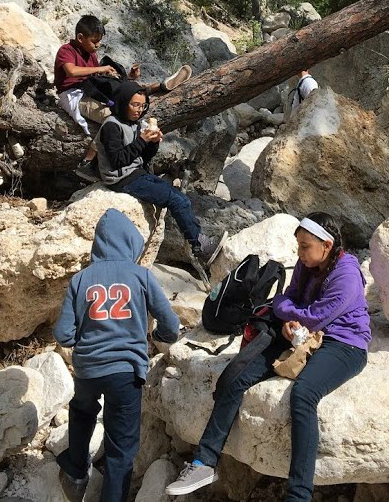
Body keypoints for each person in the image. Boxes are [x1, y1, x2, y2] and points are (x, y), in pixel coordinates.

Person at [166, 212, 370, 499]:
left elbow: (317, 315)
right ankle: (204, 462)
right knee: (238, 375)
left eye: (305, 246)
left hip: (344, 344)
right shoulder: (306, 263)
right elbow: (285, 298)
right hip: (299, 335)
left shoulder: (346, 273)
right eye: (298, 245)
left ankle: (298, 494)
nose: (299, 253)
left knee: (304, 394)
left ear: (326, 245)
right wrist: (289, 320)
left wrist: (291, 315)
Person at [53, 208, 180, 502]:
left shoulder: (80, 279)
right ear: (129, 243)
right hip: (125, 371)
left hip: (87, 369)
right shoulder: (141, 276)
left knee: (82, 409)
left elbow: (62, 334)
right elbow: (171, 326)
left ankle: (75, 469)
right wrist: (156, 338)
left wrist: (79, 340)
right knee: (121, 450)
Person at [94, 80, 227, 267]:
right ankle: (199, 246)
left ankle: (199, 240)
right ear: (123, 102)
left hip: (136, 173)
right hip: (120, 179)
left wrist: (153, 142)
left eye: (142, 105)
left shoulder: (135, 123)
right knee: (176, 200)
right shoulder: (111, 126)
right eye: (134, 105)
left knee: (179, 197)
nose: (139, 110)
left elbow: (144, 156)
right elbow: (118, 160)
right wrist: (142, 139)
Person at [54, 14, 192, 176]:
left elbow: (97, 78)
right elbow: (71, 71)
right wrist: (100, 69)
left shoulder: (90, 53)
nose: (98, 45)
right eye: (94, 41)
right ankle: (87, 162)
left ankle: (160, 86)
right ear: (80, 38)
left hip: (92, 90)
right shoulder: (66, 50)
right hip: (74, 95)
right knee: (113, 118)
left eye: (100, 41)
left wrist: (128, 76)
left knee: (126, 94)